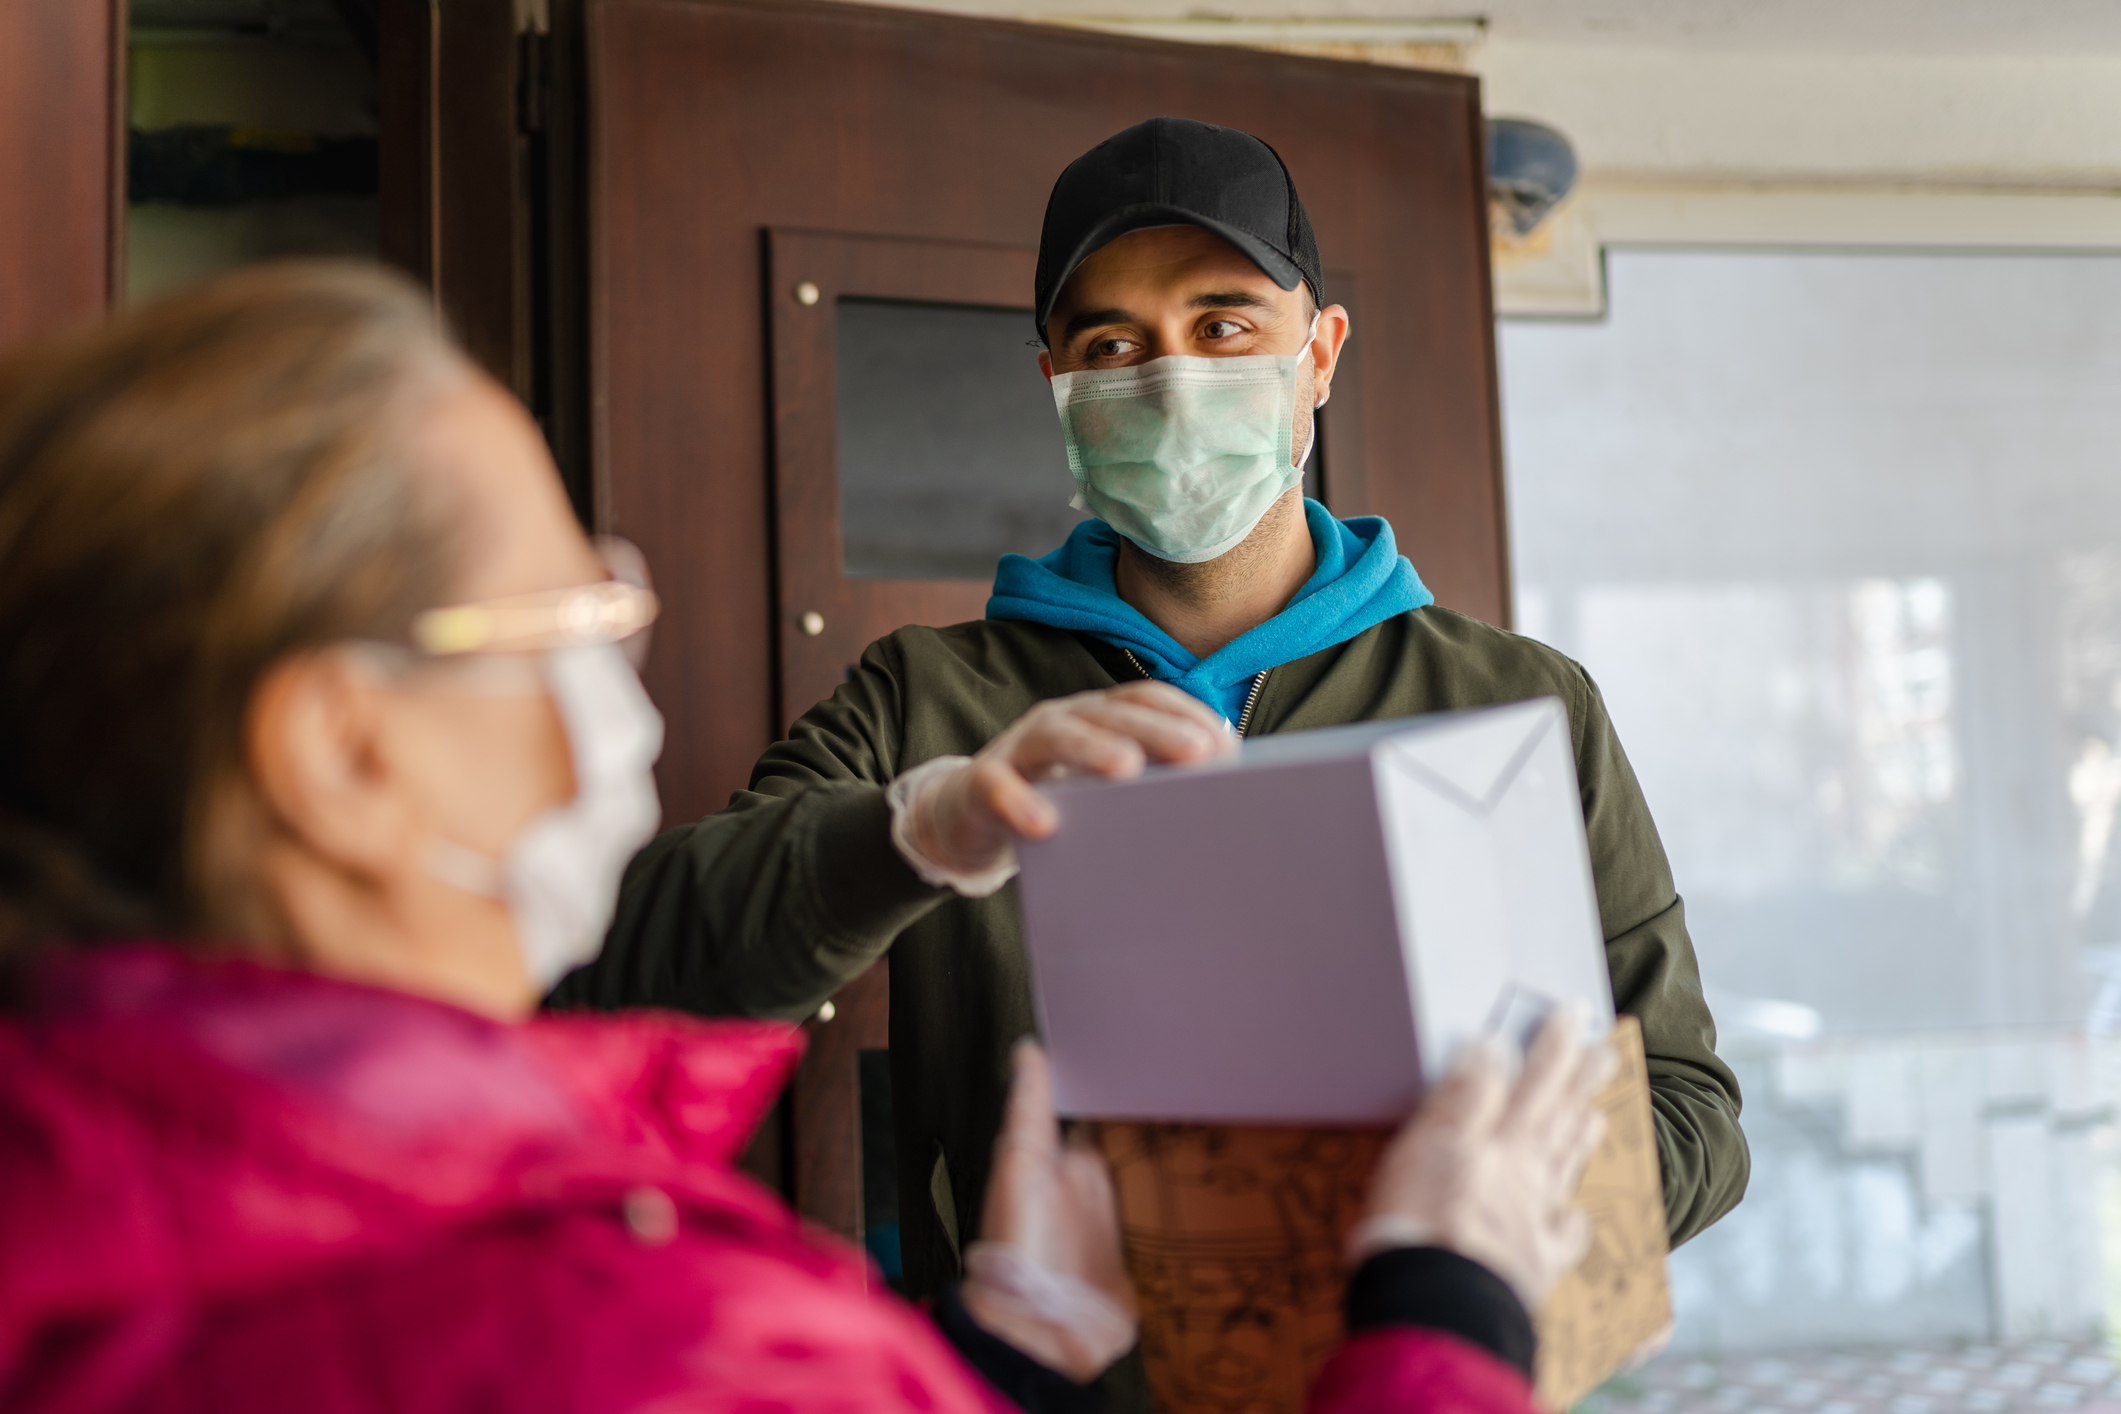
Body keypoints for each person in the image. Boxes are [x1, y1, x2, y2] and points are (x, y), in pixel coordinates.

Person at [0, 261, 1613, 1413]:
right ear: (342, 755)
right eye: (572, 610)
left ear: (1316, 349)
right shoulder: (632, 1318)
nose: (613, 678)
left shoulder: (90, 1194)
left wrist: (1000, 1349)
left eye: (1222, 325)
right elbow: (680, 935)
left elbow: (1674, 1086)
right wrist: (1444, 1305)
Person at [560, 116, 1750, 1298]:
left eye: (1224, 326)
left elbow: (1691, 1112)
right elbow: (646, 968)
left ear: (1320, 355)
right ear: (1058, 385)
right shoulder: (928, 698)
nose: (1172, 378)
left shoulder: (1514, 703)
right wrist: (919, 831)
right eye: (1114, 343)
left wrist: (1469, 1231)